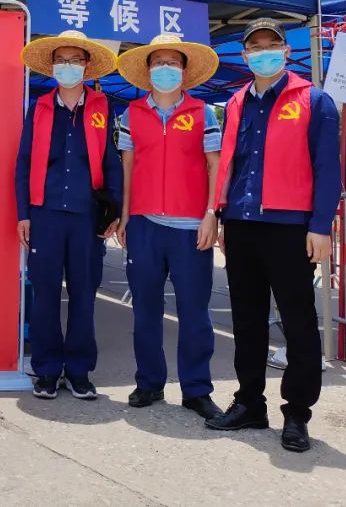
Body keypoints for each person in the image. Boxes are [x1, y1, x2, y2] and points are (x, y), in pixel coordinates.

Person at [204, 19, 341, 453]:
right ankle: (249, 402)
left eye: (271, 44)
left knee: (298, 321)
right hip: (242, 224)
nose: (263, 52)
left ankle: (297, 412)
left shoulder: (314, 100)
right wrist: (221, 216)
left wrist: (321, 225)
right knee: (246, 319)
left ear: (286, 51)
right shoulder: (236, 102)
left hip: (289, 227)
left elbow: (328, 169)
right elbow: (231, 163)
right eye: (255, 46)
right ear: (245, 56)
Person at [115, 34, 223, 420]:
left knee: (194, 311)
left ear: (184, 70)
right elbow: (128, 167)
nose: (165, 69)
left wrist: (211, 214)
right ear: (148, 71)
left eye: (173, 63)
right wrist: (125, 216)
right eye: (158, 62)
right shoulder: (131, 115)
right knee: (145, 309)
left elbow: (215, 165)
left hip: (191, 227)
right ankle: (149, 382)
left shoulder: (203, 113)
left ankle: (196, 389)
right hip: (144, 224)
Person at [15, 30, 123, 400]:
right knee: (45, 294)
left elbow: (112, 161)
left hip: (86, 216)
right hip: (45, 214)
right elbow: (24, 162)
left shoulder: (102, 107)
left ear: (86, 65)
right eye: (61, 60)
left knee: (84, 294)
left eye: (75, 60)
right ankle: (47, 369)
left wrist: (114, 209)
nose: (68, 66)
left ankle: (78, 370)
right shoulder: (40, 108)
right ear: (52, 67)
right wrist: (23, 213)